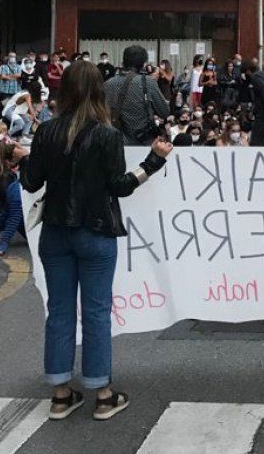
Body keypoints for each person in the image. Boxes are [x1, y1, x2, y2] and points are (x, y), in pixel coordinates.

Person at [20, 60, 173, 422]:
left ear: (64, 91)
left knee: (58, 311)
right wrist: (152, 162)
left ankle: (60, 393)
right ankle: (102, 393)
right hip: (96, 230)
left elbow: (30, 182)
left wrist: (21, 159)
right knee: (96, 312)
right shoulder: (106, 135)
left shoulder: (46, 132)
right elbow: (119, 187)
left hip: (55, 232)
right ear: (98, 92)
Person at [103, 46, 169, 146]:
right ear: (144, 64)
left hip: (117, 141)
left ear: (124, 62)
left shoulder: (108, 84)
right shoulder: (148, 82)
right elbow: (164, 112)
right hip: (144, 141)